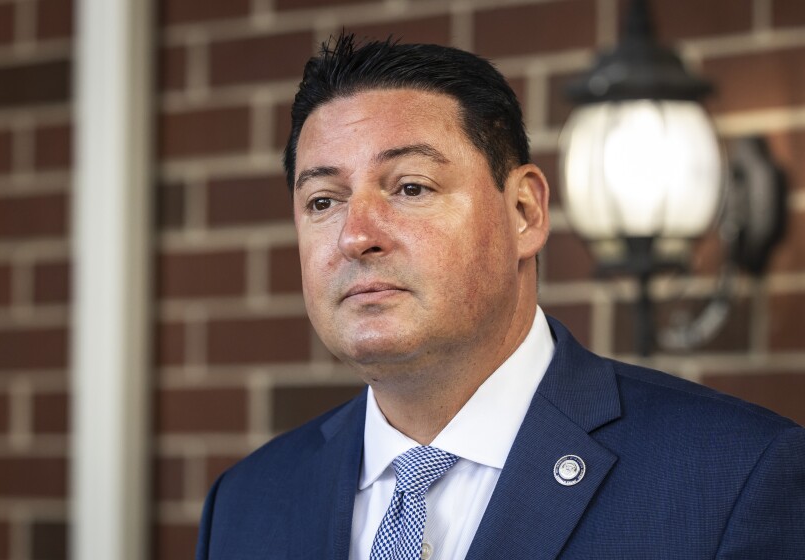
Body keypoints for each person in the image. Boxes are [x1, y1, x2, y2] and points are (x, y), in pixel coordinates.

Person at [196, 34, 805, 560]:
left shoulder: (735, 477)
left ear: (524, 211)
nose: (356, 235)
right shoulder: (247, 503)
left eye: (410, 187)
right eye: (323, 201)